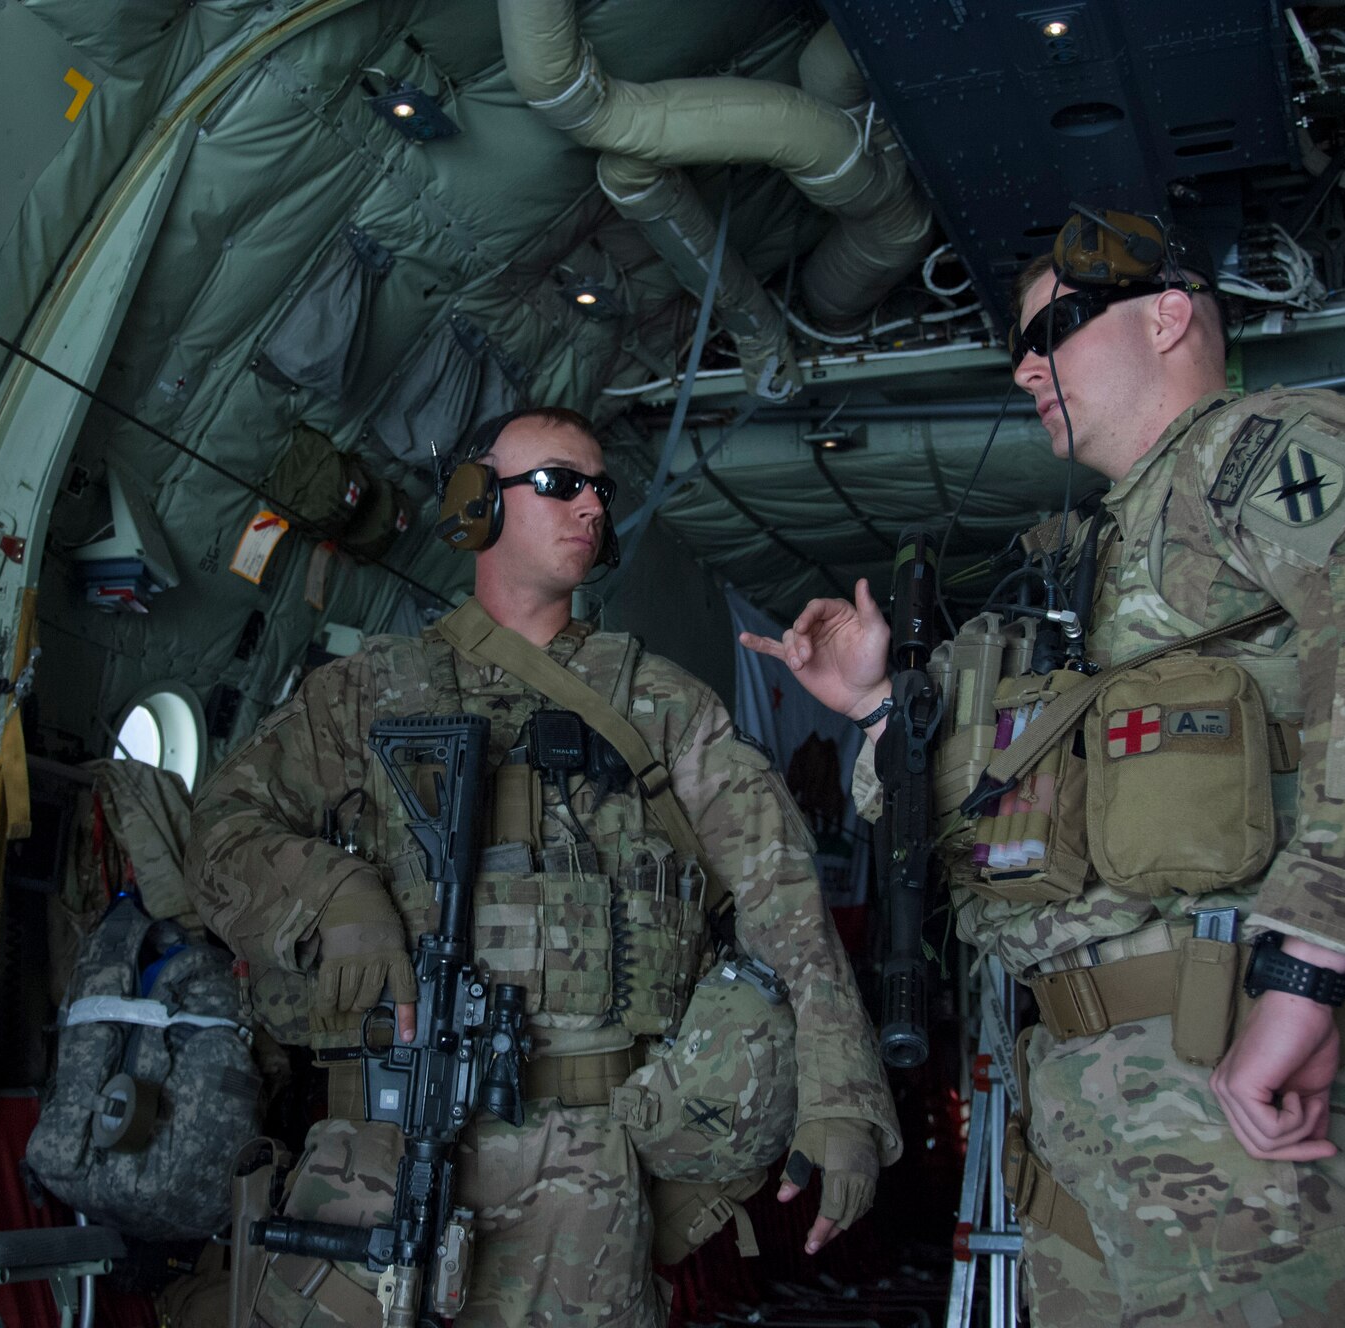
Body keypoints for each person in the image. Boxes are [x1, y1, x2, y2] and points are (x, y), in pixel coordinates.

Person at [743, 208, 1345, 1327]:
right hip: (1082, 1097)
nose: (1022, 365)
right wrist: (874, 706)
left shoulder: (1250, 454)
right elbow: (998, 803)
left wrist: (1307, 970)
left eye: (1051, 326)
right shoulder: (1086, 556)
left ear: (1166, 316)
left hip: (1229, 1064)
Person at [190, 406, 899, 1327]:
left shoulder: (662, 705)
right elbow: (221, 828)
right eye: (561, 484)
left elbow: (782, 899)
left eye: (602, 491)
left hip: (588, 1168)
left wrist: (841, 1105)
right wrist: (337, 895)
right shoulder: (365, 694)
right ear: (476, 506)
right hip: (378, 1152)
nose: (591, 509)